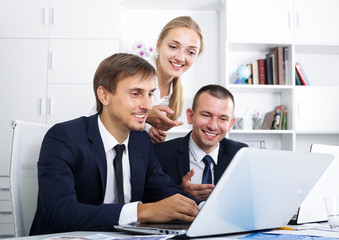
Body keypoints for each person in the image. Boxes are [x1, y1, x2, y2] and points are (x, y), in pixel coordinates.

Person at [29, 53, 200, 235]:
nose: (148, 105)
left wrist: (204, 208)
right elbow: (60, 214)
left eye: (150, 94)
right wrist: (141, 212)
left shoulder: (140, 141)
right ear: (104, 95)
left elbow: (165, 189)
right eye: (136, 94)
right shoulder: (64, 138)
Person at [154, 84, 248, 200]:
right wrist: (181, 192)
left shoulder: (241, 154)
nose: (213, 126)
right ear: (190, 116)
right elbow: (149, 199)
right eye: (206, 115)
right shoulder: (161, 154)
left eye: (223, 119)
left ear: (230, 124)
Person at [145, 16, 204, 143]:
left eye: (191, 52)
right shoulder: (134, 74)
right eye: (173, 47)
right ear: (158, 44)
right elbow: (102, 117)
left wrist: (153, 134)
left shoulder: (175, 93)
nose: (180, 57)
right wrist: (144, 116)